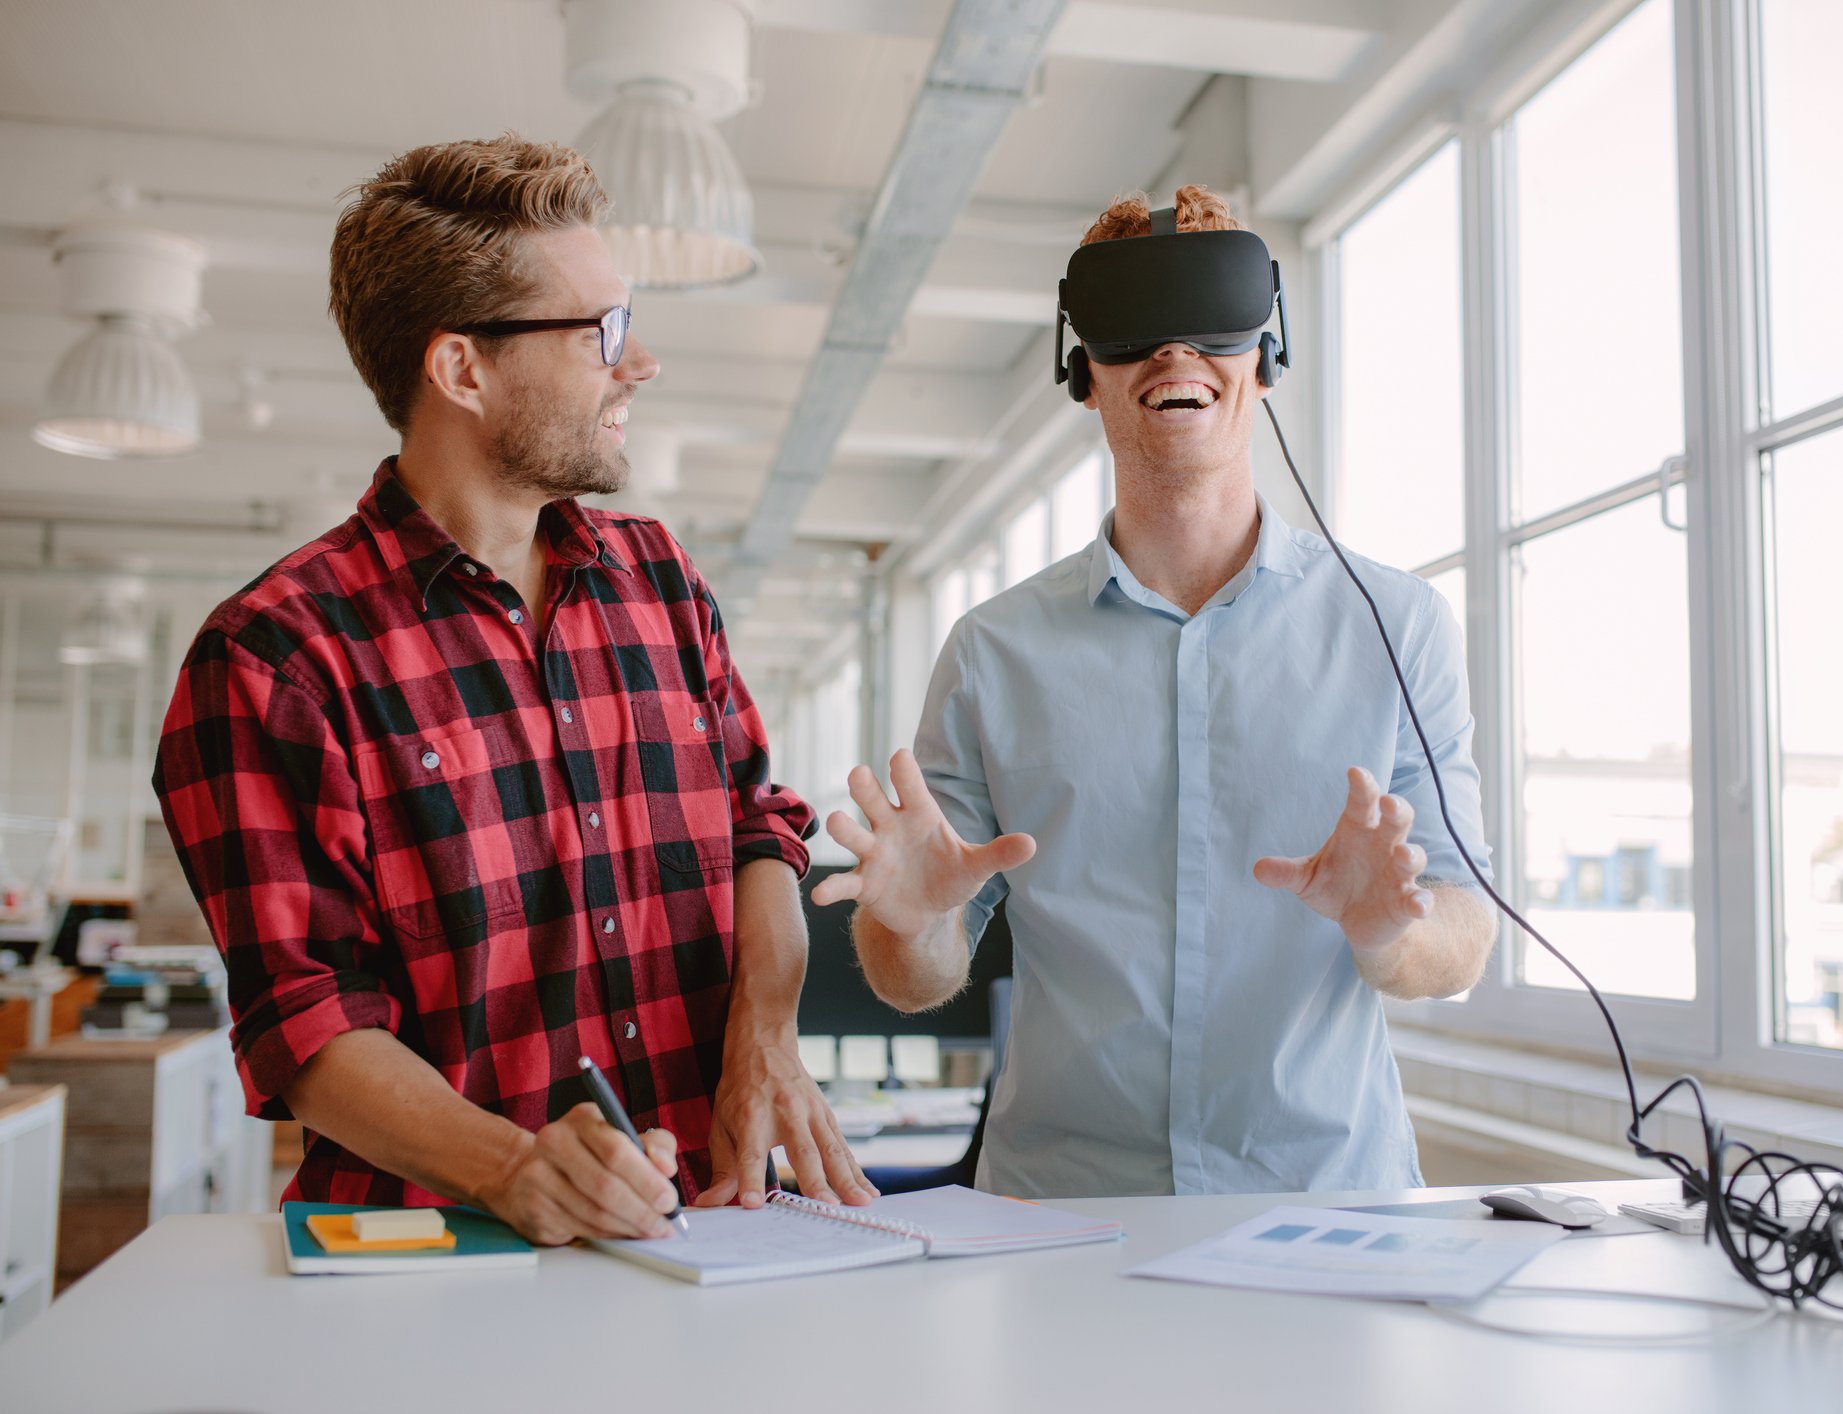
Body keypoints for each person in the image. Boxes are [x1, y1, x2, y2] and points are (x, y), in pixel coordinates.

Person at [153, 135, 875, 1244]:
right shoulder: (273, 657)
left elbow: (757, 829)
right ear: (462, 370)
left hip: (710, 1235)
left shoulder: (660, 581)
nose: (641, 365)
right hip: (443, 1262)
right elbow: (305, 1019)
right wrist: (513, 1167)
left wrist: (765, 1027)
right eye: (603, 335)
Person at [815, 186, 1498, 1197]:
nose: (1175, 353)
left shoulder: (1396, 626)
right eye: (1134, 327)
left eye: (1211, 320)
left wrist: (1388, 934)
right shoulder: (992, 651)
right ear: (1081, 371)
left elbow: (1464, 933)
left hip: (1322, 1200)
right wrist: (908, 925)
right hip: (1061, 1210)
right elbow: (915, 978)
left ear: (1265, 356)